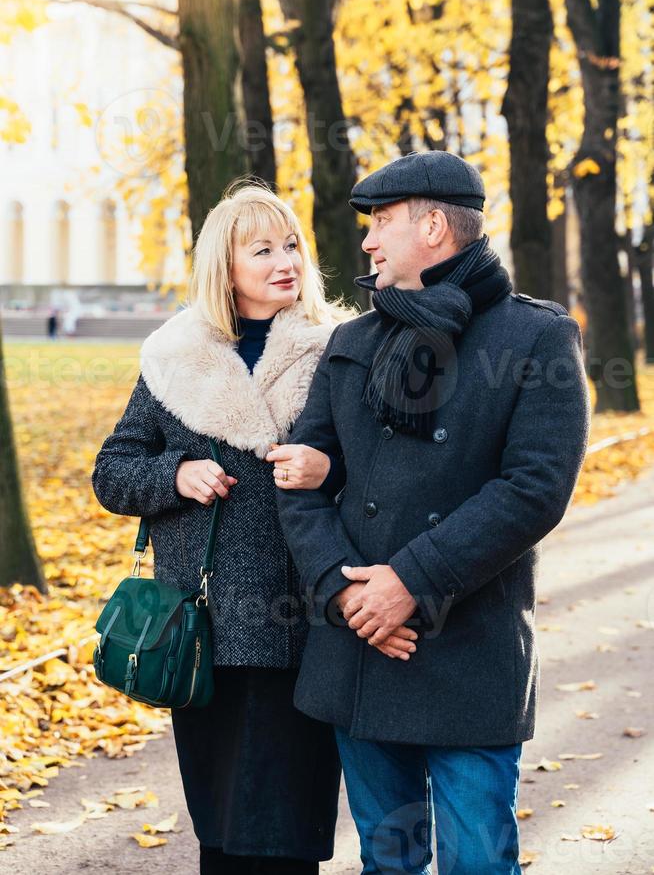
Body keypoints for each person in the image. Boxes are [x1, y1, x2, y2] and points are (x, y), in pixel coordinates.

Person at [276, 151, 591, 875]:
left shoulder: (535, 337)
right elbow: (302, 480)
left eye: (381, 223)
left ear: (432, 228)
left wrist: (408, 582)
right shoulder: (354, 342)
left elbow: (534, 489)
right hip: (362, 648)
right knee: (389, 866)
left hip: (467, 652)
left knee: (479, 865)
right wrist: (347, 592)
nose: (367, 242)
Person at [92, 182, 416, 874]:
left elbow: (389, 474)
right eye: (262, 248)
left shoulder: (343, 349)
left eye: (292, 244)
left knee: (287, 831)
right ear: (225, 267)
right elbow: (113, 471)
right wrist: (173, 476)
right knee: (222, 829)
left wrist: (327, 466)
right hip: (207, 631)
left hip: (311, 624)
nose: (285, 260)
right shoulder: (174, 358)